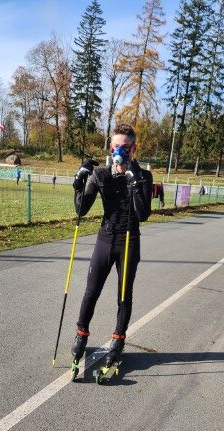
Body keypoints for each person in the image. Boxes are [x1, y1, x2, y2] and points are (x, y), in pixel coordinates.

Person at [70, 123, 153, 370]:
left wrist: (133, 182)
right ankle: (81, 334)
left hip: (129, 240)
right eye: (116, 146)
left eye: (125, 147)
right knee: (91, 291)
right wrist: (79, 182)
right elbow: (81, 209)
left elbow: (143, 214)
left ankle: (118, 339)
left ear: (133, 148)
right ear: (110, 146)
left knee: (124, 294)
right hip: (105, 239)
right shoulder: (101, 175)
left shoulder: (144, 176)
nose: (120, 151)